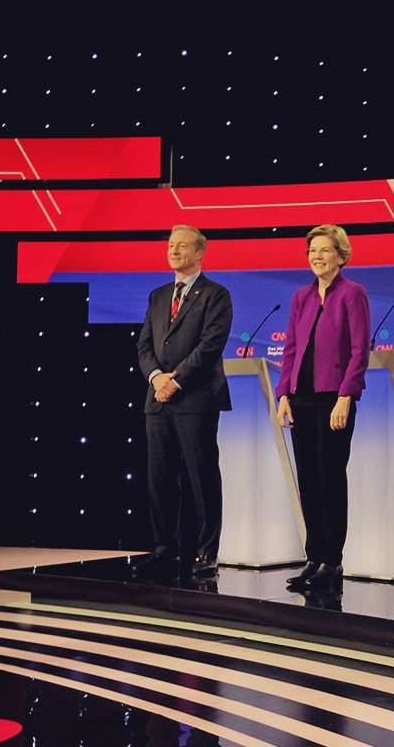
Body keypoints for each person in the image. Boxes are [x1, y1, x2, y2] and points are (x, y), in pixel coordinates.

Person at [275, 224, 371, 592]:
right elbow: (291, 350)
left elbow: (360, 349)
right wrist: (283, 395)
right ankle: (313, 556)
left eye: (324, 250)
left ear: (341, 256)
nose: (316, 256)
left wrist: (346, 396)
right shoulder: (301, 296)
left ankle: (333, 560)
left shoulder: (353, 294)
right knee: (309, 481)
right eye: (312, 250)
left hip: (334, 398)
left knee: (331, 477)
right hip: (301, 397)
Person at [136, 224, 233, 583]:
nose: (174, 251)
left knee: (202, 476)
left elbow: (209, 347)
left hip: (196, 399)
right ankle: (164, 548)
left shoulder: (216, 295)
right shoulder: (158, 295)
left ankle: (207, 552)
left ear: (199, 253)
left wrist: (175, 380)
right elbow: (144, 346)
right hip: (157, 400)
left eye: (182, 246)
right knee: (159, 478)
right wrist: (157, 378)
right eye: (171, 245)